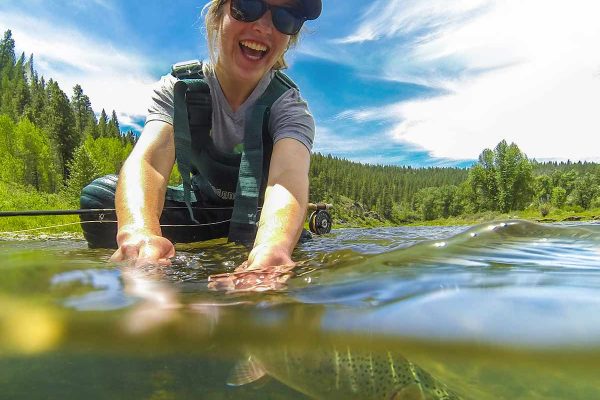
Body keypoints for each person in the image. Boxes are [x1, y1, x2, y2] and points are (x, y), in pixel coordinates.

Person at [81, 0, 322, 288]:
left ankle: (267, 248)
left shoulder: (291, 108)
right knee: (99, 199)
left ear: (289, 39)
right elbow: (149, 162)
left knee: (290, 244)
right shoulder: (178, 88)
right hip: (202, 212)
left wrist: (273, 248)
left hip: (260, 221)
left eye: (285, 17)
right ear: (217, 14)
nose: (263, 26)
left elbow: (287, 179)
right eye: (248, 5)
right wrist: (139, 232)